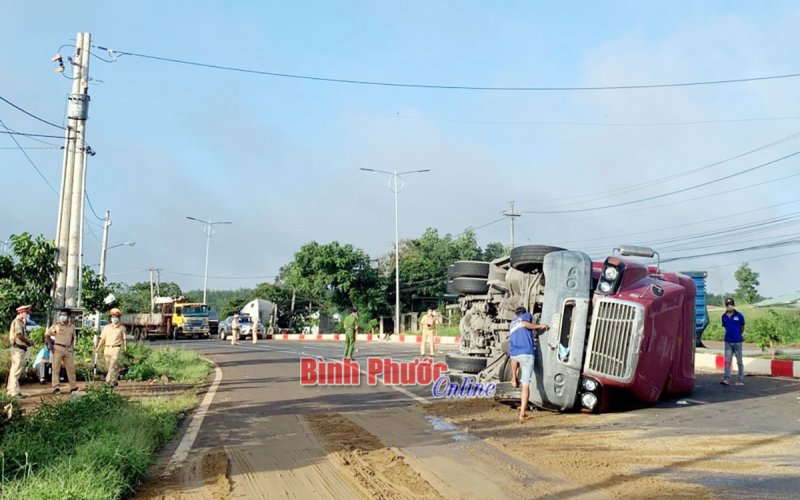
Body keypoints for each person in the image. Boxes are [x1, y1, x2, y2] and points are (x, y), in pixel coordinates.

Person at [509, 306, 549, 423]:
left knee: (514, 358)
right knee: (526, 385)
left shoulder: (512, 323)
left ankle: (513, 377)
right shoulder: (526, 316)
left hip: (514, 353)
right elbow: (525, 324)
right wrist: (539, 326)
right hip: (526, 353)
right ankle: (522, 413)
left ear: (516, 314)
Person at [48, 308, 79, 395]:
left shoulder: (72, 327)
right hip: (57, 348)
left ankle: (73, 387)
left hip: (67, 349)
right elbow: (47, 334)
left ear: (68, 316)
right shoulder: (56, 325)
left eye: (64, 315)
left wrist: (69, 345)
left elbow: (73, 338)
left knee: (71, 368)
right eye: (61, 315)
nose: (62, 317)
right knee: (56, 368)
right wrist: (50, 345)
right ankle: (56, 387)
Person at [6, 305, 33, 398]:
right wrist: (28, 342)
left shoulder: (20, 322)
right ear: (21, 313)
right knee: (16, 371)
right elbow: (19, 335)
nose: (28, 314)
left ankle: (11, 390)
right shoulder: (17, 322)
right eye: (27, 313)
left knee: (14, 370)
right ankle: (14, 392)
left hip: (17, 349)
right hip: (18, 349)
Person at [96, 308, 127, 386]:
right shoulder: (106, 327)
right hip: (107, 348)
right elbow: (102, 339)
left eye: (116, 317)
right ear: (110, 318)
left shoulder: (122, 328)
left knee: (113, 364)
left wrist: (125, 348)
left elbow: (124, 339)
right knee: (109, 366)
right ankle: (114, 380)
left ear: (119, 318)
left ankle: (107, 381)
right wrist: (98, 348)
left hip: (116, 348)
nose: (114, 319)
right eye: (113, 317)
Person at [721, 297, 745, 386]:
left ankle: (740, 379)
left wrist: (738, 334)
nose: (729, 306)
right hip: (728, 341)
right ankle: (726, 378)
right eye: (727, 305)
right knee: (727, 361)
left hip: (737, 341)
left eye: (730, 304)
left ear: (733, 305)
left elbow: (742, 328)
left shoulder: (739, 316)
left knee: (739, 361)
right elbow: (726, 327)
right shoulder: (724, 316)